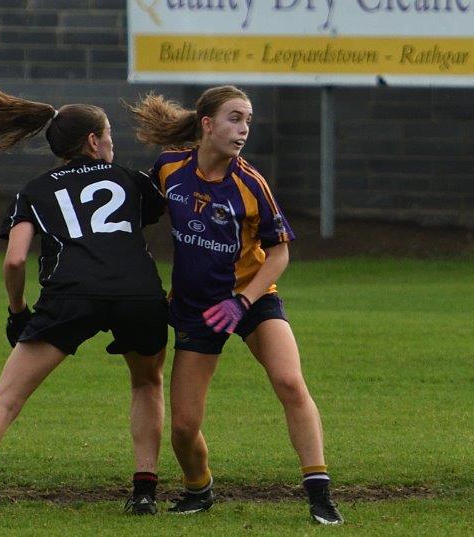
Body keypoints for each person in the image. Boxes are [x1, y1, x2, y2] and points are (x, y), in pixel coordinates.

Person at [0, 81, 170, 516]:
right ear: (93, 141)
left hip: (71, 294)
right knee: (146, 382)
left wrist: (18, 313)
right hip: (138, 292)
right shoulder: (131, 179)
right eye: (108, 134)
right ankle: (144, 492)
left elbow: (14, 262)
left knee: (7, 397)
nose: (112, 142)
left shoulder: (34, 190)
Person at [126, 86, 343, 524]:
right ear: (206, 124)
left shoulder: (250, 183)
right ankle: (198, 488)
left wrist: (243, 301)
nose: (243, 129)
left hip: (253, 300)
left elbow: (279, 252)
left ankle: (319, 494)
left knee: (289, 382)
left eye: (248, 121)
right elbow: (132, 212)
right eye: (234, 118)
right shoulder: (169, 168)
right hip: (196, 310)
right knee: (184, 428)